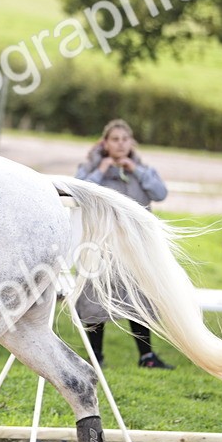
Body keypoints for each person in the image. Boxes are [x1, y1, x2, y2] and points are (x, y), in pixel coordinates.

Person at [75, 119, 174, 369]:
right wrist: (101, 169)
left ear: (131, 143)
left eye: (124, 139)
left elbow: (160, 193)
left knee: (139, 298)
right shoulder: (90, 170)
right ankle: (95, 356)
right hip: (100, 246)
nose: (120, 144)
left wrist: (136, 171)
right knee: (94, 297)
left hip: (134, 247)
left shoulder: (143, 170)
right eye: (115, 139)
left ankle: (147, 356)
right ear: (105, 143)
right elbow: (79, 192)